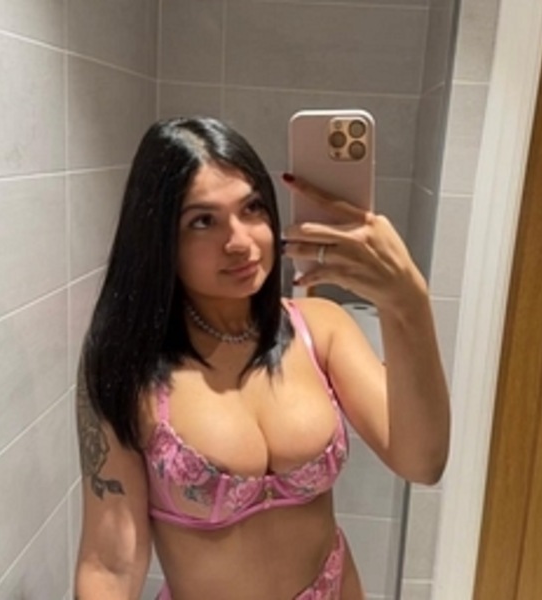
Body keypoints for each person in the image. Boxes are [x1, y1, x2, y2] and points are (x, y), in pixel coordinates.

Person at [74, 117, 450, 600]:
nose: (240, 242)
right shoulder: (127, 368)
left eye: (251, 208)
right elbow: (110, 563)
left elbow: (422, 463)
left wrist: (408, 303)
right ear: (159, 238)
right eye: (203, 221)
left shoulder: (320, 328)